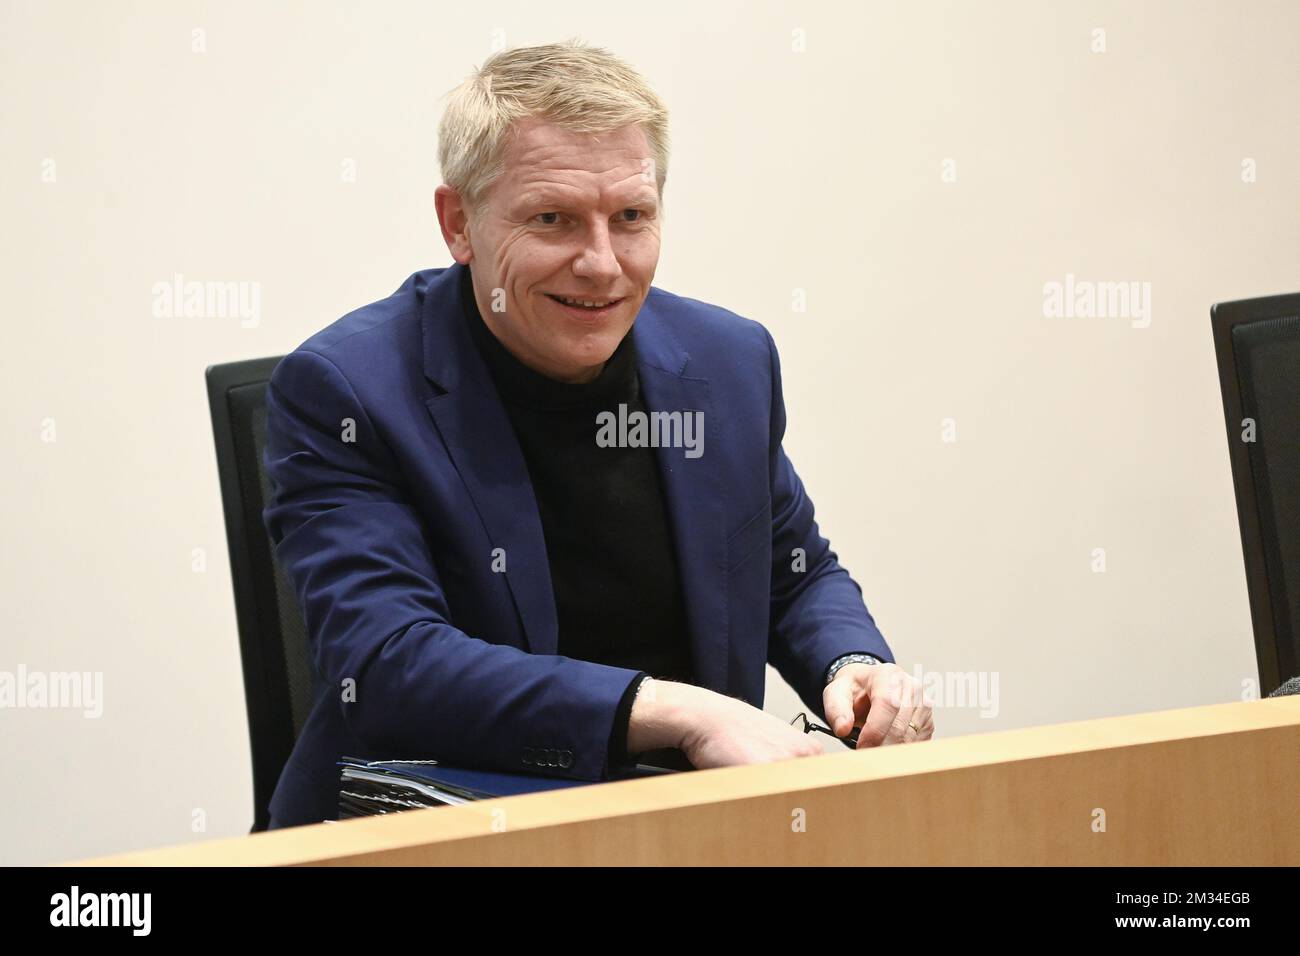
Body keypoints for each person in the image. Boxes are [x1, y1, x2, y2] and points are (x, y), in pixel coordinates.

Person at [262, 40, 933, 829]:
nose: (602, 264)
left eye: (631, 218)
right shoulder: (348, 391)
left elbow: (791, 569)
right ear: (458, 225)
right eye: (553, 220)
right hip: (444, 829)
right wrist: (678, 711)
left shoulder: (726, 363)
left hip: (686, 824)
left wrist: (853, 663)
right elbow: (388, 666)